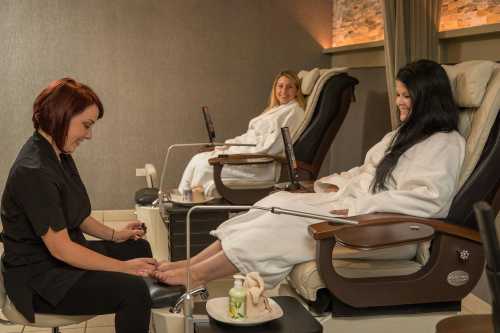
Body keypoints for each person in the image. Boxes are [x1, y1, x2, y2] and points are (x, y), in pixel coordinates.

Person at [153, 59, 465, 288]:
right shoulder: (403, 134)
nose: (399, 102)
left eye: (406, 96)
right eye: (398, 94)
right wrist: (330, 184)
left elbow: (428, 201)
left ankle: (198, 276)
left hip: (384, 229)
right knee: (270, 205)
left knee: (280, 223)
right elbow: (366, 171)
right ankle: (191, 263)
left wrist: (359, 208)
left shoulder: (445, 143)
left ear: (427, 97)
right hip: (355, 210)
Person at [1, 78, 157, 333]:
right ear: (60, 115)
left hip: (57, 261)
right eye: (86, 125)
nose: (89, 135)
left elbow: (77, 215)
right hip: (41, 281)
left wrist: (117, 235)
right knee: (134, 290)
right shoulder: (34, 171)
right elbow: (62, 250)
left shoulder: (58, 154)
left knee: (138, 247)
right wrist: (125, 269)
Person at [178, 70, 306, 198]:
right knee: (197, 158)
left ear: (297, 90)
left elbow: (274, 146)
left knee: (204, 165)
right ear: (275, 88)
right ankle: (183, 201)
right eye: (280, 86)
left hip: (262, 164)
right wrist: (228, 145)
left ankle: (193, 203)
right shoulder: (275, 109)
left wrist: (237, 151)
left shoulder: (294, 111)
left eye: (289, 87)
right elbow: (251, 136)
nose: (283, 91)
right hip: (250, 153)